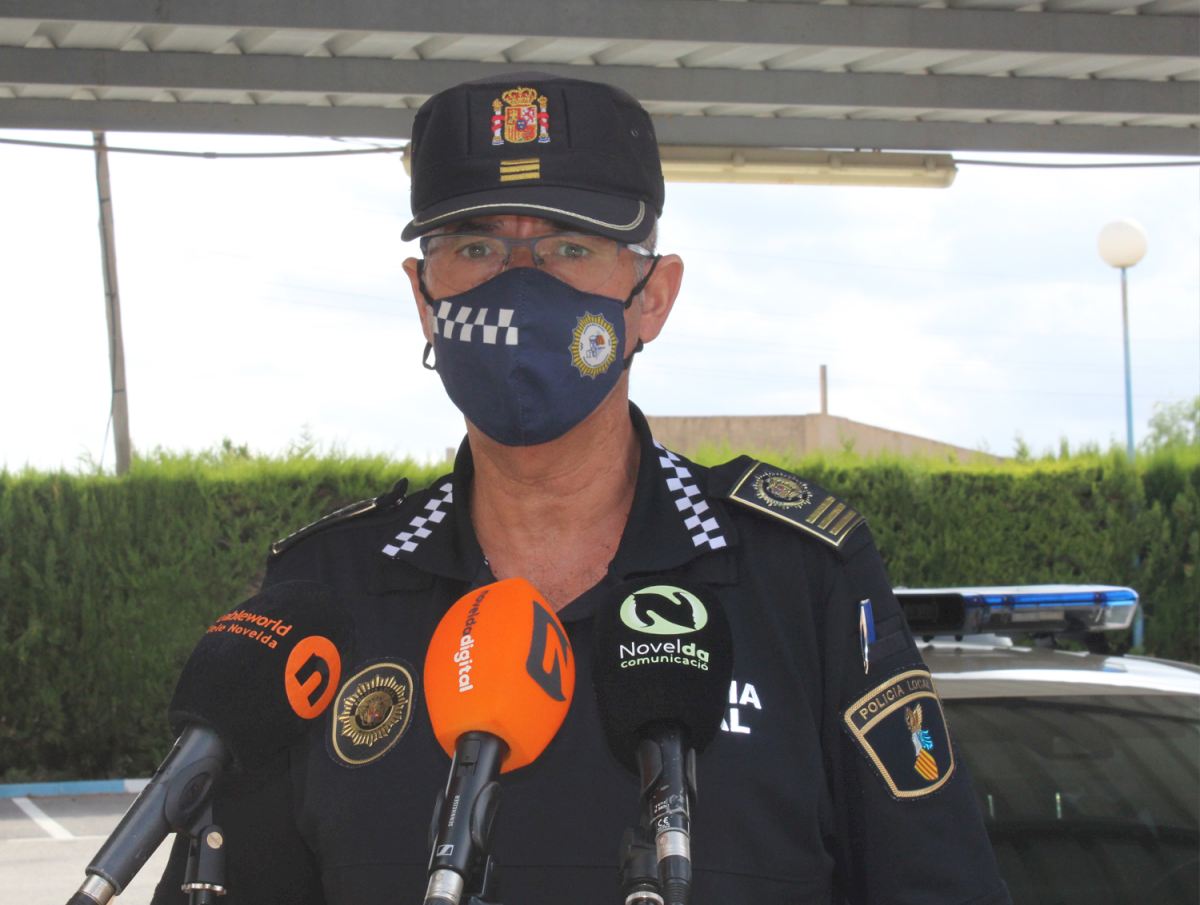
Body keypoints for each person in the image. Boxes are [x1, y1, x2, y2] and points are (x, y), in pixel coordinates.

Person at [152, 71, 1009, 905]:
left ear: (653, 298)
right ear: (423, 296)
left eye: (571, 247)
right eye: (476, 247)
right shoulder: (325, 594)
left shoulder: (801, 579)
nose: (521, 285)